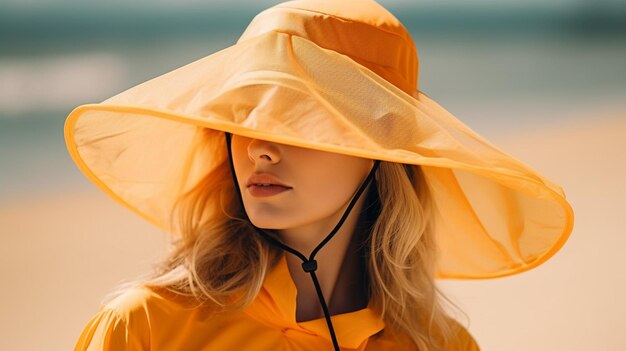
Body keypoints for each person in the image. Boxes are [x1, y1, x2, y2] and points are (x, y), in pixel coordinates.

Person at [65, 0, 574, 350]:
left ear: (381, 148)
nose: (259, 147)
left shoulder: (440, 346)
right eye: (243, 114)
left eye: (297, 117)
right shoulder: (146, 328)